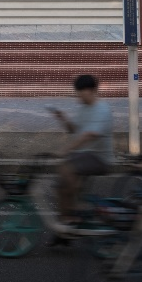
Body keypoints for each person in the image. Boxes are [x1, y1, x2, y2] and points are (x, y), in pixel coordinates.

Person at [50, 74, 114, 231]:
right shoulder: (83, 109)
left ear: (92, 90)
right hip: (83, 155)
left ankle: (72, 212)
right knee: (61, 185)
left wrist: (66, 149)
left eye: (81, 92)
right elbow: (74, 130)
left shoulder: (102, 109)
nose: (78, 95)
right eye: (77, 92)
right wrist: (64, 119)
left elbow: (89, 135)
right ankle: (66, 220)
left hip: (99, 157)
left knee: (67, 170)